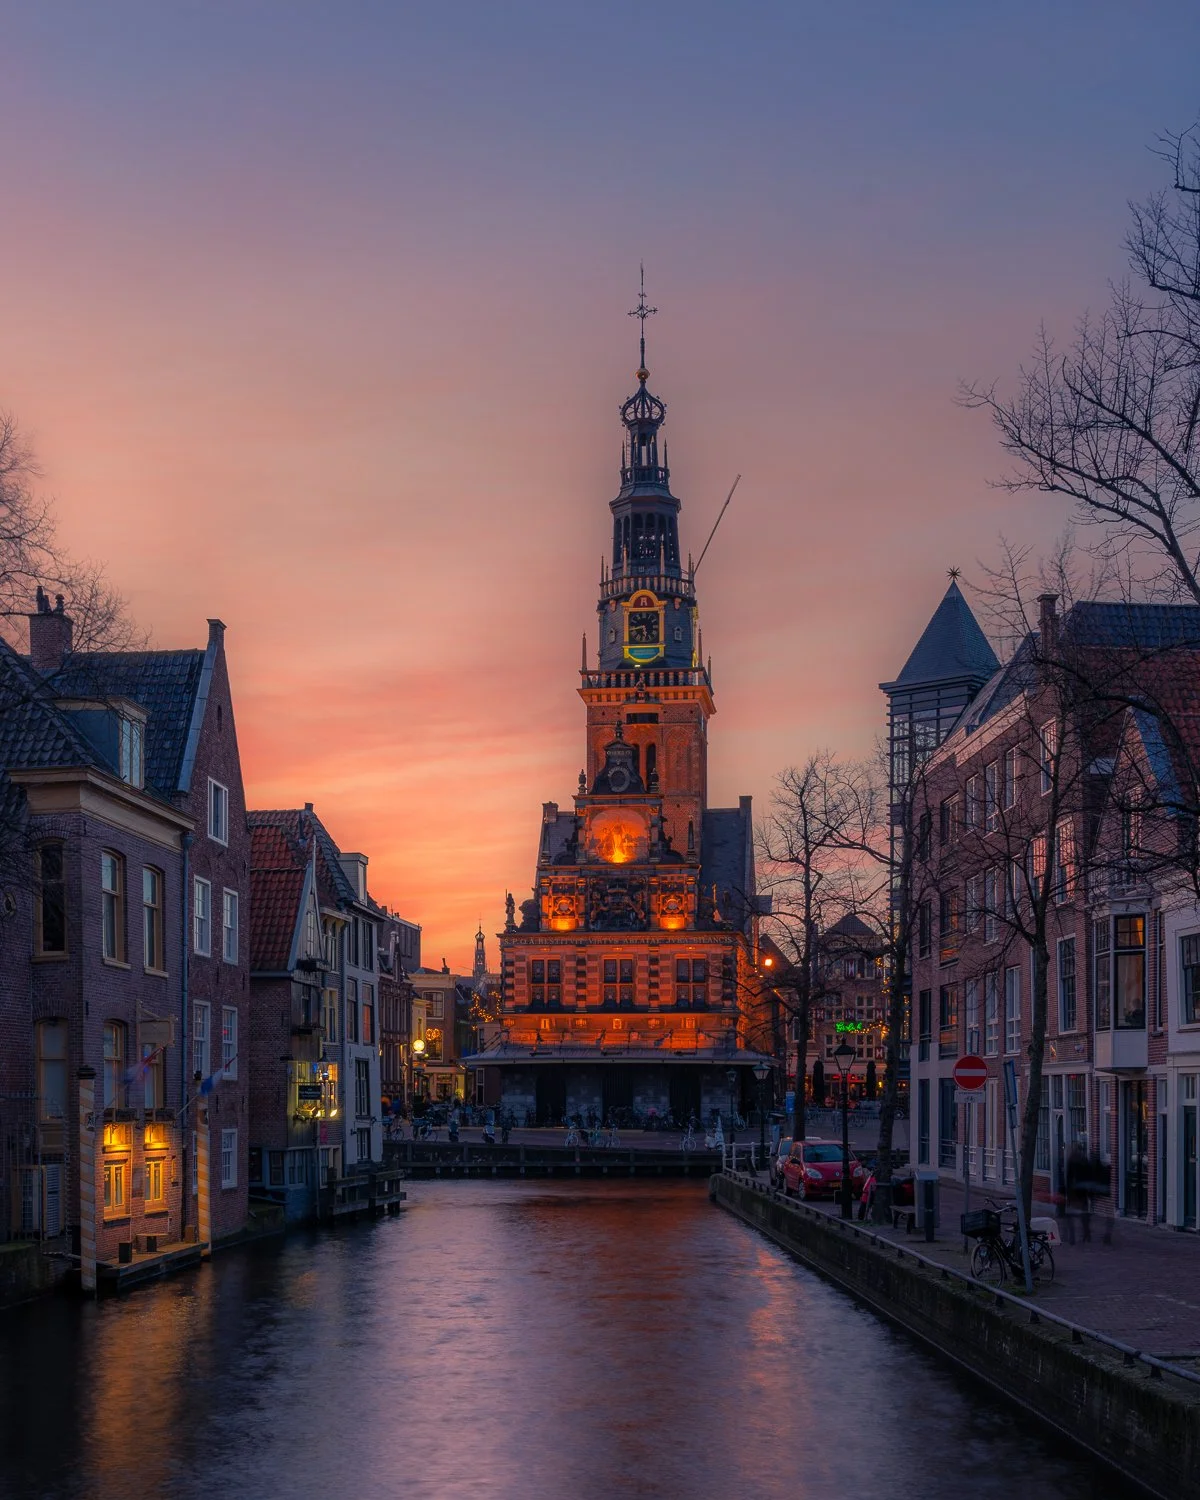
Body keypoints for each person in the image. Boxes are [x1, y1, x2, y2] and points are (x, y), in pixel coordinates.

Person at [1065, 1140, 1090, 1245]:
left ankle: (1072, 1237)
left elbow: (1069, 1176)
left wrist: (1068, 1191)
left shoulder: (1071, 1159)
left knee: (1070, 1215)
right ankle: (1086, 1234)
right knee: (1084, 1213)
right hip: (1082, 1190)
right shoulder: (1084, 1159)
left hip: (1074, 1191)